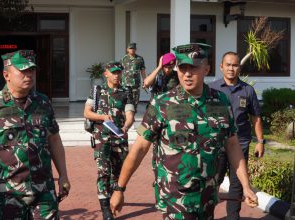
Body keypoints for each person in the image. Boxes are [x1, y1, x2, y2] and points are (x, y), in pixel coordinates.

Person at [110, 43, 258, 220]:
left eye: (193, 67)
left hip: (207, 197)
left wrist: (246, 186)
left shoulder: (220, 101)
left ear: (206, 69)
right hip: (175, 198)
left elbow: (232, 145)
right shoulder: (161, 103)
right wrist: (120, 188)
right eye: (182, 68)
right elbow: (140, 148)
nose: (187, 74)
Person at [0, 50, 70, 219]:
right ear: (6, 75)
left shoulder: (43, 102)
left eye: (32, 70)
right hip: (9, 194)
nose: (29, 75)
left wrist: (63, 175)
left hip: (44, 191)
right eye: (23, 70)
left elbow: (54, 140)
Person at [209, 51, 264, 220]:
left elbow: (256, 118)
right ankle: (207, 215)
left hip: (240, 145)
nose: (231, 68)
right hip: (217, 145)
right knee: (212, 183)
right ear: (221, 67)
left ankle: (233, 217)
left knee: (237, 185)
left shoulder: (248, 90)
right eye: (228, 65)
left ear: (239, 67)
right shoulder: (212, 89)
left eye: (235, 65)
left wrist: (260, 141)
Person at [83, 61, 135, 220]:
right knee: (103, 172)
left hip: (119, 138)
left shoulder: (126, 92)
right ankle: (105, 208)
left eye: (119, 72)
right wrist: (102, 117)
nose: (116, 75)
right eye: (113, 72)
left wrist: (126, 126)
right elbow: (87, 112)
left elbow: (130, 115)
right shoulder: (97, 91)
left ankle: (114, 199)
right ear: (106, 73)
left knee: (118, 174)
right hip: (101, 138)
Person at [120, 43, 146, 110]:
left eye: (133, 48)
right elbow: (120, 71)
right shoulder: (123, 59)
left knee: (135, 100)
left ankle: (133, 114)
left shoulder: (139, 59)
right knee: (126, 100)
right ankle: (126, 115)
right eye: (130, 48)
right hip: (125, 83)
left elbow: (142, 71)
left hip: (135, 83)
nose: (132, 50)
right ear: (127, 49)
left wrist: (145, 81)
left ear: (136, 49)